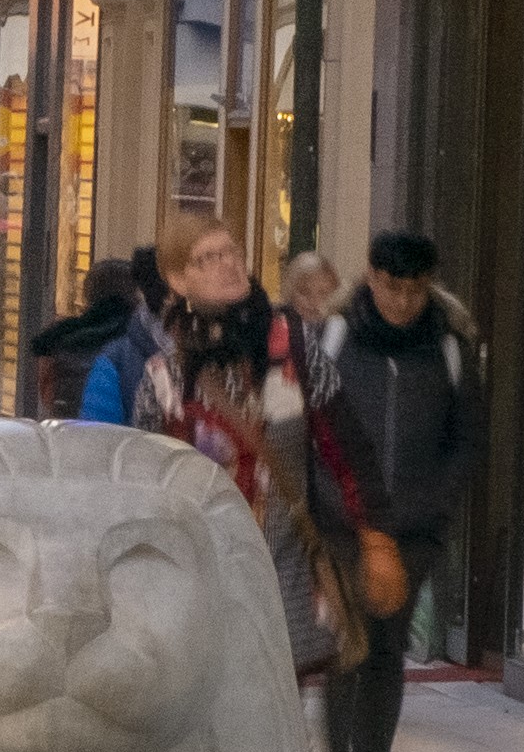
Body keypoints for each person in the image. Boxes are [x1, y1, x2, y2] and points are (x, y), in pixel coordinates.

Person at [85, 212, 364, 697]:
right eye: (207, 258)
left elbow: (347, 448)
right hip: (195, 580)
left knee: (272, 712)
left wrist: (373, 536)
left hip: (281, 576)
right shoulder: (164, 378)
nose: (227, 264)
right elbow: (142, 487)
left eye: (231, 251)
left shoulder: (294, 350)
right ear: (178, 279)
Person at [316, 231, 483, 752]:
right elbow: (310, 426)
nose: (403, 301)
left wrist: (435, 511)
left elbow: (466, 440)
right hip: (342, 523)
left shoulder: (449, 345)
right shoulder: (335, 336)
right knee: (348, 645)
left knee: (386, 649)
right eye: (392, 287)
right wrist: (325, 507)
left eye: (415, 289)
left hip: (412, 531)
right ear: (371, 278)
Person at [23, 257, 140, 420]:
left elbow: (47, 393)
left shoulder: (59, 335)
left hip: (67, 425)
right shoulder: (139, 339)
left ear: (88, 293)